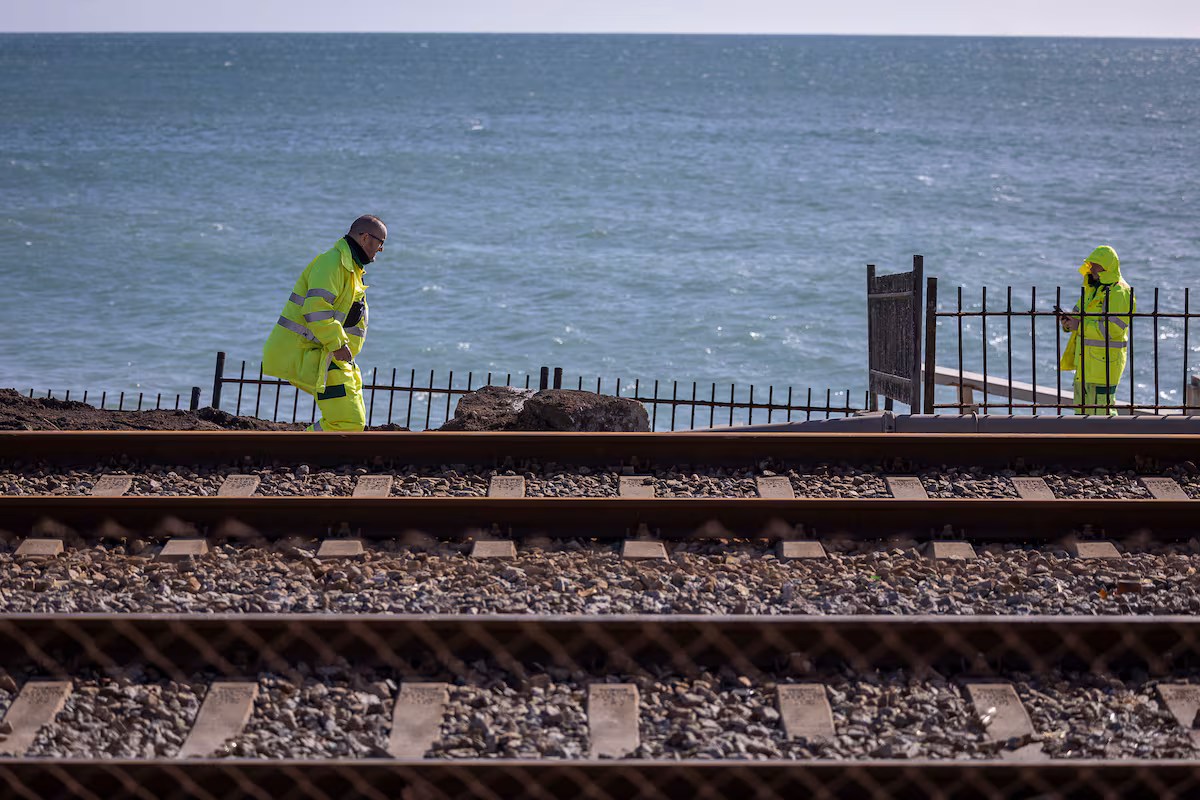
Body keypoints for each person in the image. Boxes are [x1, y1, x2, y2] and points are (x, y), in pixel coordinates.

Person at [262, 215, 386, 431]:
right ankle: (300, 450)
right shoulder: (332, 263)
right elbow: (316, 311)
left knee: (352, 421)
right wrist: (338, 345)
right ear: (366, 238)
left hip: (327, 356)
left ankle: (311, 449)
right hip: (309, 354)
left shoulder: (350, 268)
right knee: (349, 423)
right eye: (381, 242)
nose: (381, 249)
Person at [1057, 245, 1134, 416]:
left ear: (1106, 267)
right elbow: (1077, 315)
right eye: (1090, 265)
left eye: (1094, 265)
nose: (1090, 269)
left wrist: (1079, 326)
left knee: (1102, 413)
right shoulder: (1092, 290)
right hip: (1086, 363)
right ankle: (1084, 442)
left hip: (1104, 364)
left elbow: (1113, 329)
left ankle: (1108, 442)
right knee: (1082, 412)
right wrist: (1067, 321)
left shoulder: (1119, 291)